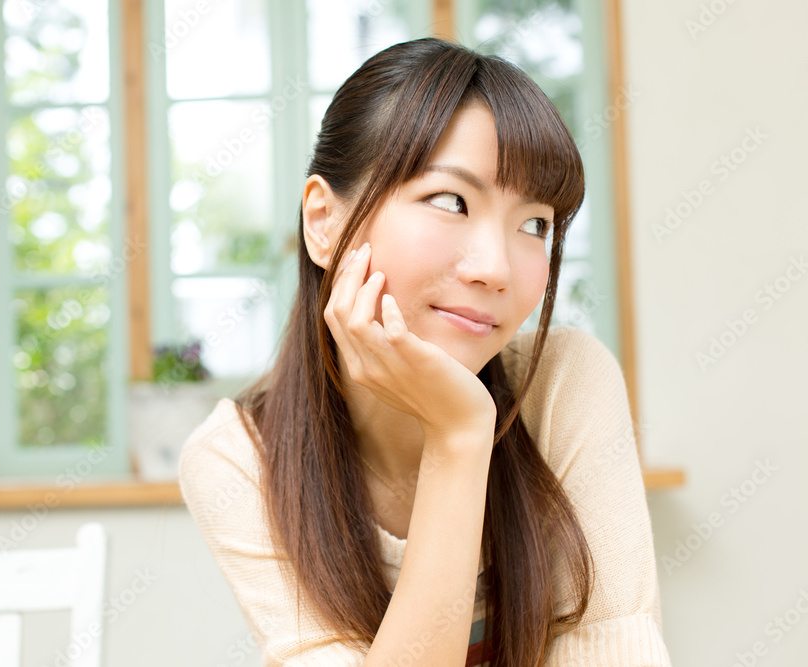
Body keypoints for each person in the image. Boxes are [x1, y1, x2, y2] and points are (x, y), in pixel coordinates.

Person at [178, 37, 671, 666]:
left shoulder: (563, 384)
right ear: (324, 223)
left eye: (534, 224)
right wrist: (459, 437)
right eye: (451, 201)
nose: (495, 268)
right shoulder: (242, 459)